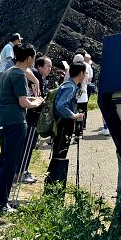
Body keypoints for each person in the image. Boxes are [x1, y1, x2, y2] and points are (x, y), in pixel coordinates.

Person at [0, 43, 43, 215]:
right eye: (34, 57)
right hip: (16, 122)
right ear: (30, 58)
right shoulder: (18, 75)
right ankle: (0, 203)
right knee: (10, 162)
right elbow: (23, 102)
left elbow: (16, 97)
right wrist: (37, 102)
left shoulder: (9, 71)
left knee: (3, 158)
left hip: (3, 120)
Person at [46, 62, 87, 190]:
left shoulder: (69, 84)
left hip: (61, 124)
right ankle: (53, 185)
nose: (85, 75)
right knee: (60, 154)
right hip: (64, 125)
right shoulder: (70, 87)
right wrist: (74, 116)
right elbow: (61, 105)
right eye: (84, 73)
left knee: (58, 153)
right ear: (81, 73)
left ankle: (52, 183)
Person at [17, 56, 54, 185]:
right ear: (39, 66)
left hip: (32, 116)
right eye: (48, 66)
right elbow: (35, 97)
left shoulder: (40, 78)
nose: (50, 69)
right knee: (28, 145)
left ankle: (22, 171)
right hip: (31, 116)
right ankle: (21, 172)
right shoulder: (35, 75)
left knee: (29, 145)